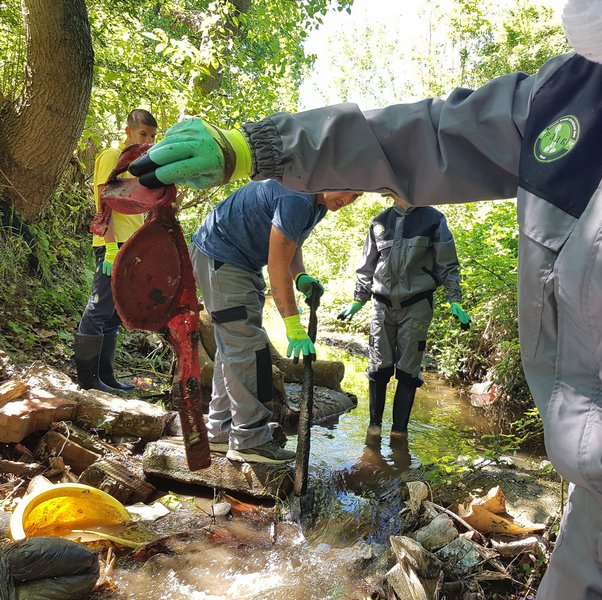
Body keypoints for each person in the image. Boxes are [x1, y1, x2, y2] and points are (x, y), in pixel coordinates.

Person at [129, 0, 602, 596]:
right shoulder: (574, 95)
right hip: (590, 520)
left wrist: (446, 300)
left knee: (406, 379)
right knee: (376, 372)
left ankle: (388, 444)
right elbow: (424, 133)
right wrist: (261, 146)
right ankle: (358, 444)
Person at [190, 179, 361, 464]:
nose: (350, 199)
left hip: (235, 261)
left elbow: (288, 247)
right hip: (222, 257)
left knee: (234, 345)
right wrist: (292, 325)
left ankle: (220, 431)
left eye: (358, 195)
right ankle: (249, 439)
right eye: (349, 189)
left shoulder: (316, 203)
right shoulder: (297, 198)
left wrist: (301, 276)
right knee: (248, 348)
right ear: (330, 175)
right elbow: (277, 264)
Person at [337, 196, 470, 439]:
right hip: (381, 305)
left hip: (417, 305)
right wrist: (358, 300)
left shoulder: (433, 219)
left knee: (408, 371)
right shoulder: (379, 222)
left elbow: (448, 265)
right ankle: (373, 429)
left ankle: (399, 433)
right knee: (378, 368)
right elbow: (366, 267)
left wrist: (455, 299)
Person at [74, 109, 157, 393]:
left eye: (152, 136)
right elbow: (104, 204)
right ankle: (88, 380)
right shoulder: (112, 157)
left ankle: (106, 377)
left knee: (115, 314)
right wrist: (109, 247)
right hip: (113, 245)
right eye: (143, 134)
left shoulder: (138, 166)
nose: (147, 140)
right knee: (99, 309)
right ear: (128, 132)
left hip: (132, 245)